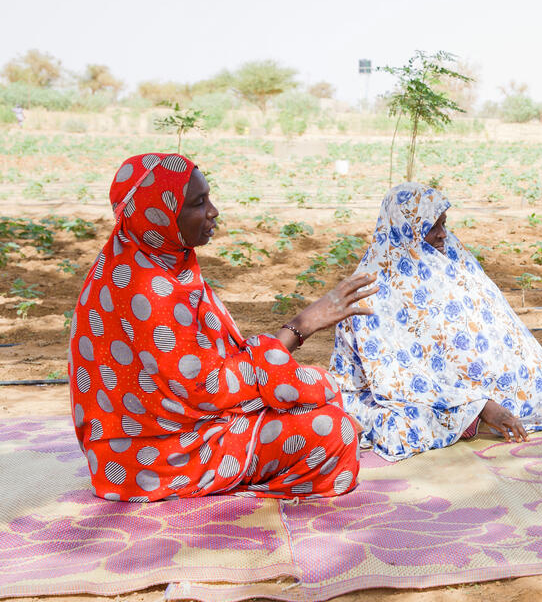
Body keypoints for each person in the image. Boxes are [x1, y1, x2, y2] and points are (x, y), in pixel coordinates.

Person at [67, 153, 377, 502]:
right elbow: (209, 388)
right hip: (157, 460)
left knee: (312, 394)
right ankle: (227, 481)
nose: (213, 211)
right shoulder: (153, 291)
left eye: (209, 198)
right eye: (199, 203)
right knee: (334, 430)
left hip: (140, 446)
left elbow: (207, 372)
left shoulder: (139, 261)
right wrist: (303, 325)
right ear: (161, 215)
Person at [329, 184, 542, 460]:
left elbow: (497, 327)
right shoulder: (371, 291)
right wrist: (478, 405)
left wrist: (494, 380)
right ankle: (469, 416)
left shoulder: (451, 259)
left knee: (535, 389)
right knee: (402, 429)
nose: (443, 234)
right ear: (405, 229)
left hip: (460, 384)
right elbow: (395, 378)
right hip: (402, 393)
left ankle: (472, 415)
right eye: (432, 227)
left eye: (444, 224)